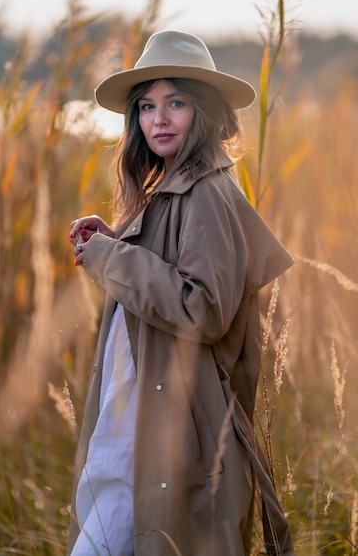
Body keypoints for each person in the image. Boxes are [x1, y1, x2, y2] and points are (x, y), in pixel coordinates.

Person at [67, 30, 295, 556]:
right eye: (146, 106)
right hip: (136, 415)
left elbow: (203, 308)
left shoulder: (209, 190)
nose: (158, 119)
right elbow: (167, 268)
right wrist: (117, 239)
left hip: (171, 428)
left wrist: (111, 258)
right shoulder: (172, 186)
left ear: (207, 111)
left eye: (177, 103)